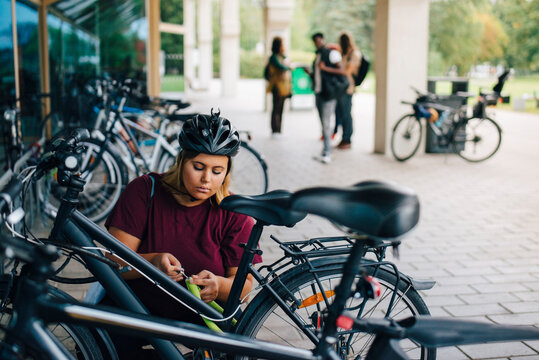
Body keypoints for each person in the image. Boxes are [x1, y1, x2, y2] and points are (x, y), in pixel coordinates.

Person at [102, 110, 262, 358]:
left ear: (227, 172)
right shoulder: (145, 190)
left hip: (199, 320)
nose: (206, 179)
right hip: (135, 310)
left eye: (217, 171)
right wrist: (152, 262)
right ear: (181, 161)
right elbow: (112, 261)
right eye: (198, 167)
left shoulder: (235, 213)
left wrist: (218, 286)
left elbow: (245, 287)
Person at [303, 32, 346, 164]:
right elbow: (318, 74)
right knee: (323, 123)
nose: (317, 43)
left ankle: (327, 152)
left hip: (329, 94)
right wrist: (310, 73)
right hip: (319, 92)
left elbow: (342, 70)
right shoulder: (318, 55)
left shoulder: (332, 54)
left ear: (323, 39)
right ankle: (324, 150)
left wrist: (325, 68)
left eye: (319, 40)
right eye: (315, 41)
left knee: (327, 123)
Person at [335, 31, 361, 150]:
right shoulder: (344, 53)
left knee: (346, 114)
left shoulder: (354, 54)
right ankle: (343, 138)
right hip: (341, 88)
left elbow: (347, 71)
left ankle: (347, 139)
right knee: (341, 114)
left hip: (348, 88)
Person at [266, 36, 292, 137]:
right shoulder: (273, 57)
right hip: (276, 86)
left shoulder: (282, 56)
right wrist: (288, 67)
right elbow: (281, 67)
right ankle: (275, 130)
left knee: (280, 108)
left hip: (284, 87)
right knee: (276, 108)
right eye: (282, 44)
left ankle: (279, 129)